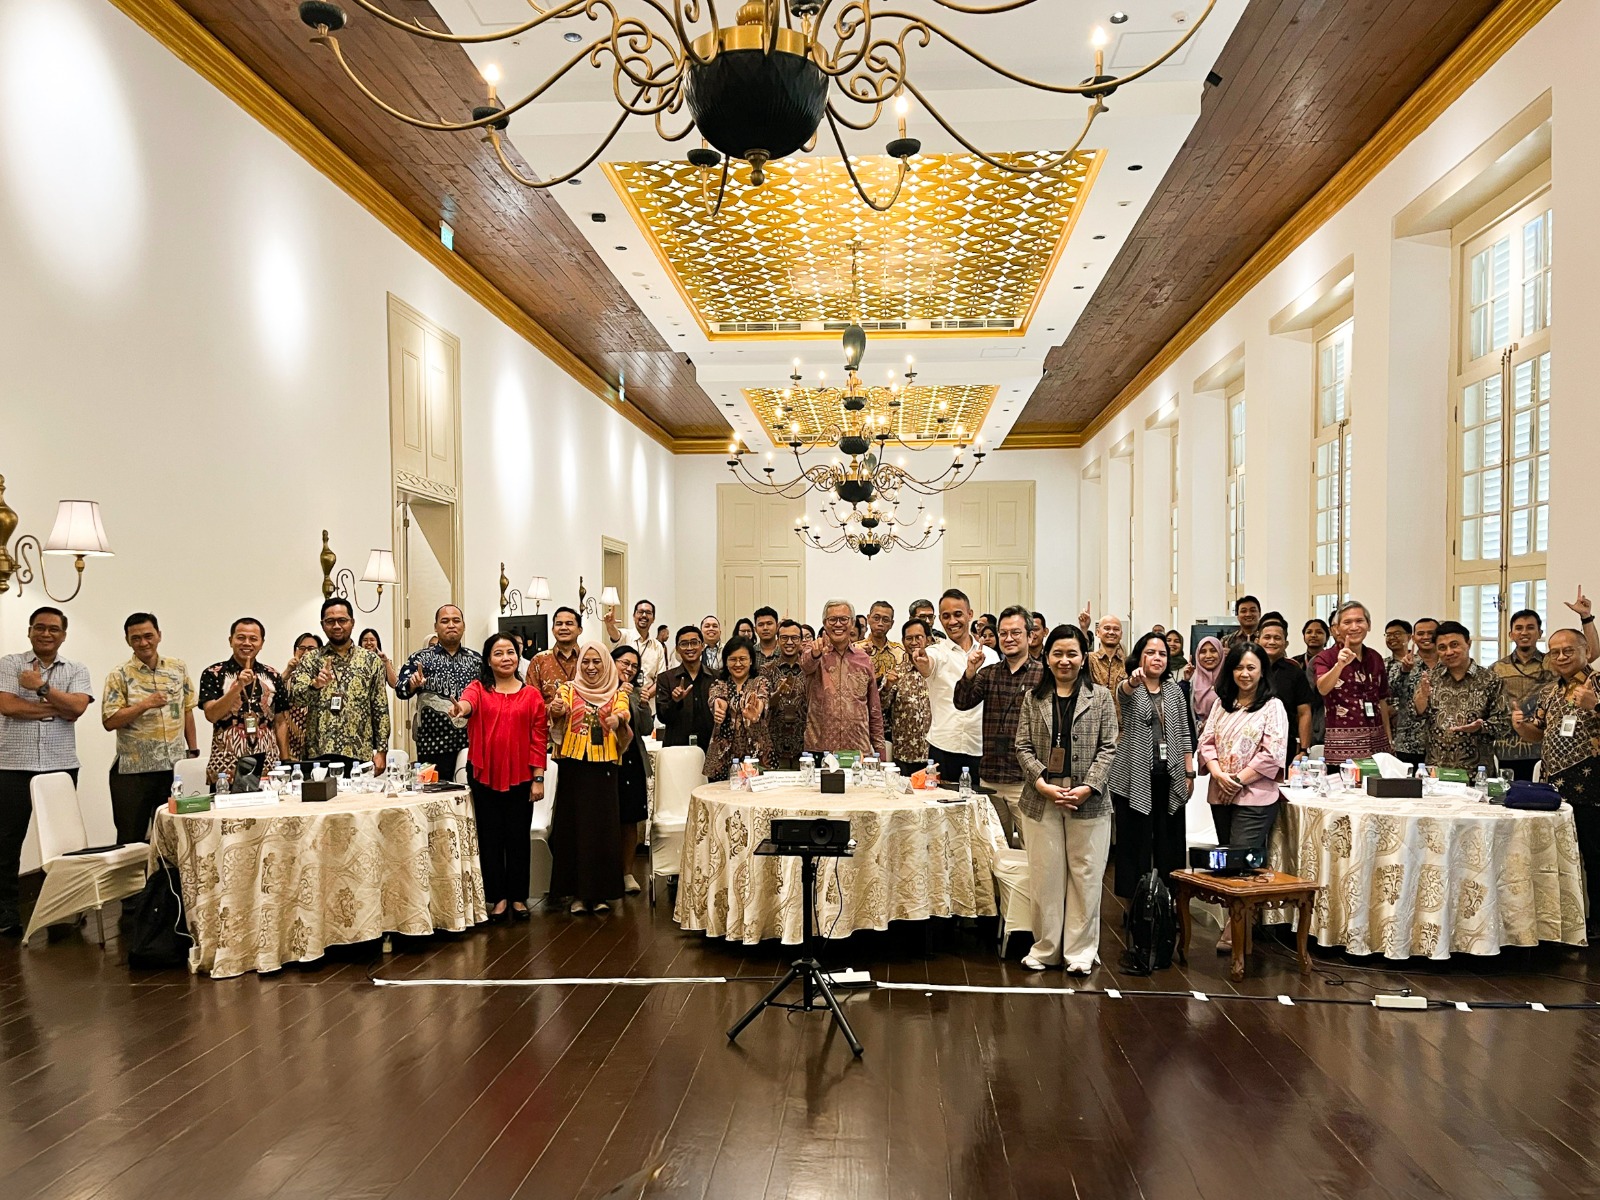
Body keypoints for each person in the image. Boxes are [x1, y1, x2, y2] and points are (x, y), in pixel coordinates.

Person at [1013, 624, 1118, 973]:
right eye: (1057, 653)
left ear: (1083, 657)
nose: (1064, 660)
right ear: (1047, 657)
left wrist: (1088, 786)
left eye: (1072, 653)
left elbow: (1109, 748)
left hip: (1088, 799)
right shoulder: (1034, 698)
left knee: (1086, 875)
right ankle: (1045, 948)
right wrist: (1041, 782)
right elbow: (1022, 746)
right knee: (1045, 876)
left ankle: (1080, 952)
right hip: (1042, 797)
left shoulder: (1101, 697)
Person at [0, 607, 93, 935]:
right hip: (13, 765)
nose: (46, 634)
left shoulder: (76, 669)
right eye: (39, 627)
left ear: (63, 635)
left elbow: (78, 707)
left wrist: (41, 688)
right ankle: (6, 913)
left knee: (63, 842)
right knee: (7, 841)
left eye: (54, 629)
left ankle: (62, 912)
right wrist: (56, 707)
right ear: (29, 631)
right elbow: (7, 705)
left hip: (60, 765)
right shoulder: (10, 664)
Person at [450, 633, 548, 923]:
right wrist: (460, 709)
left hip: (521, 776)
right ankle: (498, 898)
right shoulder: (478, 689)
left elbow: (538, 738)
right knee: (490, 837)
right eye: (498, 653)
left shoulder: (532, 695)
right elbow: (467, 704)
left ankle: (518, 897)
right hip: (484, 775)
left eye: (510, 652)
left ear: (518, 657)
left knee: (518, 837)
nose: (506, 658)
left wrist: (538, 778)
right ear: (488, 660)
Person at [1198, 645, 1288, 951]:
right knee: (1227, 862)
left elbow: (1272, 752)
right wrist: (1218, 774)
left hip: (1255, 796)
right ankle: (1239, 922)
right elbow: (1206, 742)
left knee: (1242, 861)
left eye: (1251, 667)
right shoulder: (1221, 704)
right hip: (1220, 793)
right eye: (1239, 667)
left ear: (1262, 671)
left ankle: (1236, 930)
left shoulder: (1273, 707)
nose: (1245, 674)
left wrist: (1237, 780)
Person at [1511, 627, 1600, 934]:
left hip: (1593, 790)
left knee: (1595, 858)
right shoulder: (1549, 691)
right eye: (1555, 652)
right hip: (1554, 791)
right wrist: (1521, 727)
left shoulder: (1598, 684)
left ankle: (1597, 921)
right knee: (1555, 857)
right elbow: (1537, 733)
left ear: (1586, 651)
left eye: (1568, 650)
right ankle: (1561, 919)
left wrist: (1595, 706)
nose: (1561, 657)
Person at [546, 638, 631, 915]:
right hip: (573, 766)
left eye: (597, 662)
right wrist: (556, 711)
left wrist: (618, 720)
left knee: (602, 830)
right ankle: (578, 894)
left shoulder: (616, 692)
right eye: (586, 662)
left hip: (604, 767)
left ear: (606, 664)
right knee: (573, 828)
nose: (591, 667)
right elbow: (557, 710)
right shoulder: (568, 689)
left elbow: (623, 711)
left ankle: (600, 893)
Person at [1109, 632, 1196, 899]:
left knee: (1170, 842)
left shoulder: (1175, 690)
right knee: (1134, 843)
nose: (1157, 658)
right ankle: (1135, 904)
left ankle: (1169, 901)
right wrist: (1133, 682)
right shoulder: (1129, 686)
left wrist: (1189, 772)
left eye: (1162, 654)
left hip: (1170, 776)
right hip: (1134, 777)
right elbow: (1122, 694)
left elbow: (1184, 732)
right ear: (1139, 657)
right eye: (1150, 652)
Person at [101, 613, 197, 843]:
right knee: (131, 840)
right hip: (134, 772)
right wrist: (145, 704)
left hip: (173, 769)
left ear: (159, 635)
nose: (143, 643)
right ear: (128, 640)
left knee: (173, 837)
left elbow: (187, 709)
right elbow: (110, 721)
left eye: (148, 636)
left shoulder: (178, 668)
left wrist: (193, 750)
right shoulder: (119, 674)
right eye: (136, 638)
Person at [954, 606, 1043, 842]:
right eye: (1003, 633)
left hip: (1026, 779)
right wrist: (970, 671)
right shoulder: (989, 673)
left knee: (1032, 849)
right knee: (994, 849)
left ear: (1030, 636)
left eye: (1015, 632)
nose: (1008, 638)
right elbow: (962, 702)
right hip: (990, 776)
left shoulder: (1043, 675)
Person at [286, 597, 390, 771]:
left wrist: (382, 750)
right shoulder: (311, 659)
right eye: (330, 621)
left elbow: (380, 707)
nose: (336, 626)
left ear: (352, 622)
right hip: (319, 752)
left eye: (342, 620)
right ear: (322, 624)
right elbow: (296, 698)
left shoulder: (371, 661)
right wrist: (315, 685)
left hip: (359, 752)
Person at [394, 604, 482, 777]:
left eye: (456, 620)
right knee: (432, 792)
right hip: (432, 746)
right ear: (435, 627)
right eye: (445, 621)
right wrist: (412, 684)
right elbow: (400, 689)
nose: (451, 625)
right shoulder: (420, 658)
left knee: (469, 791)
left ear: (464, 625)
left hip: (470, 745)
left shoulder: (476, 660)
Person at [920, 589, 996, 785]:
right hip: (944, 745)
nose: (952, 621)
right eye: (946, 616)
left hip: (979, 746)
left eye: (958, 614)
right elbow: (927, 665)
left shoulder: (991, 656)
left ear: (970, 614)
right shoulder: (935, 652)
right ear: (940, 619)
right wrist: (922, 662)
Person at [200, 618, 288, 786]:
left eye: (253, 639)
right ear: (230, 640)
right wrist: (237, 687)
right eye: (241, 637)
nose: (247, 643)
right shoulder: (213, 674)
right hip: (225, 765)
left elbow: (280, 721)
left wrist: (285, 760)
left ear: (262, 643)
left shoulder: (273, 676)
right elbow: (211, 715)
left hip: (267, 764)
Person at [1413, 620, 1507, 772]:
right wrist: (1422, 698)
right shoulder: (1430, 679)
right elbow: (1416, 717)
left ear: (1468, 644)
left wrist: (1480, 727)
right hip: (1436, 770)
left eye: (1454, 645)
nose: (1449, 652)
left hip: (1477, 771)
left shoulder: (1490, 680)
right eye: (1442, 648)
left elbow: (1503, 724)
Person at [801, 600, 885, 759]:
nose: (838, 624)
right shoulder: (814, 652)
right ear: (824, 623)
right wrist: (816, 654)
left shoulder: (864, 659)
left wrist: (881, 754)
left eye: (843, 619)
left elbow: (874, 710)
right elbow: (806, 666)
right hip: (820, 748)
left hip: (858, 750)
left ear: (852, 623)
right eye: (832, 619)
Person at [1314, 600, 1391, 762]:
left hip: (1378, 743)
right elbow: (1322, 688)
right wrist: (1339, 665)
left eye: (1359, 621)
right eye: (1347, 622)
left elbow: (1382, 700)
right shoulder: (1326, 657)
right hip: (1342, 746)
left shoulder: (1375, 657)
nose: (1354, 627)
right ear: (1337, 628)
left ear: (1369, 625)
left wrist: (1389, 739)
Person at [1491, 608, 1555, 781]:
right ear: (1511, 634)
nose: (1524, 632)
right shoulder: (1497, 668)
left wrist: (1586, 618)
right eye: (1519, 628)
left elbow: (1589, 653)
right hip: (1506, 749)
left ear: (1540, 633)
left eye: (1530, 627)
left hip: (1541, 748)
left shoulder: (1553, 664)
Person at [611, 645, 653, 895]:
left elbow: (646, 729)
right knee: (606, 817)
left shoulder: (637, 693)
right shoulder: (599, 688)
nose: (629, 669)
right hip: (605, 759)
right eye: (624, 663)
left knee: (630, 819)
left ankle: (627, 872)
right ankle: (605, 873)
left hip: (632, 759)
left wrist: (643, 704)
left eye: (634, 666)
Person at [704, 637, 772, 781]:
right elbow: (716, 699)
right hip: (722, 757)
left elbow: (762, 699)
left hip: (756, 754)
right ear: (726, 662)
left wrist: (756, 712)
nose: (738, 664)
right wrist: (719, 708)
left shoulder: (761, 682)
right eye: (733, 659)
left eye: (742, 659)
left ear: (751, 660)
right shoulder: (718, 684)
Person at [1257, 617, 1314, 763]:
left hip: (1285, 744)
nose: (1272, 642)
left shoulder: (1295, 672)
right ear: (1257, 641)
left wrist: (1304, 749)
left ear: (1286, 644)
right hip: (1251, 741)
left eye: (1277, 638)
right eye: (1267, 637)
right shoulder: (1248, 670)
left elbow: (1304, 713)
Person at [883, 618, 933, 775]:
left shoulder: (938, 672)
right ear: (903, 642)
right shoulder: (896, 672)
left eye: (919, 637)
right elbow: (881, 707)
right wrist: (887, 687)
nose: (914, 642)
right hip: (905, 753)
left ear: (928, 640)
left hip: (935, 751)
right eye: (909, 638)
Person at [656, 625, 715, 748]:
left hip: (710, 748)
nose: (689, 648)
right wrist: (675, 702)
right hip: (677, 748)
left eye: (694, 643)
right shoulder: (666, 678)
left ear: (702, 646)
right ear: (677, 649)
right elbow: (662, 717)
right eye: (684, 644)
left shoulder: (716, 677)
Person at [1383, 619, 1427, 766]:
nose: (1392, 638)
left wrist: (1396, 709)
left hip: (1416, 731)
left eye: (1397, 634)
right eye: (1388, 635)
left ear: (1409, 637)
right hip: (1390, 730)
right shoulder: (1382, 663)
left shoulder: (1421, 663)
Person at [767, 619, 810, 768]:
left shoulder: (809, 669)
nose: (789, 642)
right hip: (775, 746)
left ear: (801, 641)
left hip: (805, 746)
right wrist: (778, 693)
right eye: (784, 638)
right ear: (778, 640)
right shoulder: (767, 669)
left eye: (794, 638)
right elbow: (764, 704)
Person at [605, 599, 673, 685]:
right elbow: (614, 633)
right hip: (622, 690)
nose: (644, 615)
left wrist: (648, 692)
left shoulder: (657, 646)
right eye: (640, 612)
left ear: (653, 619)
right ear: (634, 616)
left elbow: (661, 678)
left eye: (648, 612)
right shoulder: (624, 636)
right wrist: (609, 624)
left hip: (648, 692)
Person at [278, 631, 322, 762]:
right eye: (302, 648)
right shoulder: (289, 678)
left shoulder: (325, 679)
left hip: (318, 748)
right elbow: (271, 697)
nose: (306, 652)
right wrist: (288, 671)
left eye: (311, 648)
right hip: (291, 747)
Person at [531, 607, 583, 701]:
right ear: (553, 630)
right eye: (559, 624)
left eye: (569, 623)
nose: (563, 628)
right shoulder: (538, 660)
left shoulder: (587, 658)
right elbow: (532, 701)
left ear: (580, 630)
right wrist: (551, 707)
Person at [1293, 617, 1330, 750]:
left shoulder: (1332, 661)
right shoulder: (1295, 663)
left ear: (1327, 637)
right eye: (1309, 632)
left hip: (1324, 716)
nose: (1313, 635)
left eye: (1319, 632)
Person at [855, 600, 904, 692]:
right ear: (868, 619)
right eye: (876, 618)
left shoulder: (901, 651)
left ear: (891, 624)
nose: (880, 623)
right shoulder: (856, 649)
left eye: (885, 620)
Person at [1189, 636, 1224, 728]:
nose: (1208, 656)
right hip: (1197, 732)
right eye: (1203, 652)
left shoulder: (1230, 679)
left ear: (1220, 653)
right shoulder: (1192, 679)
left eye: (1213, 651)